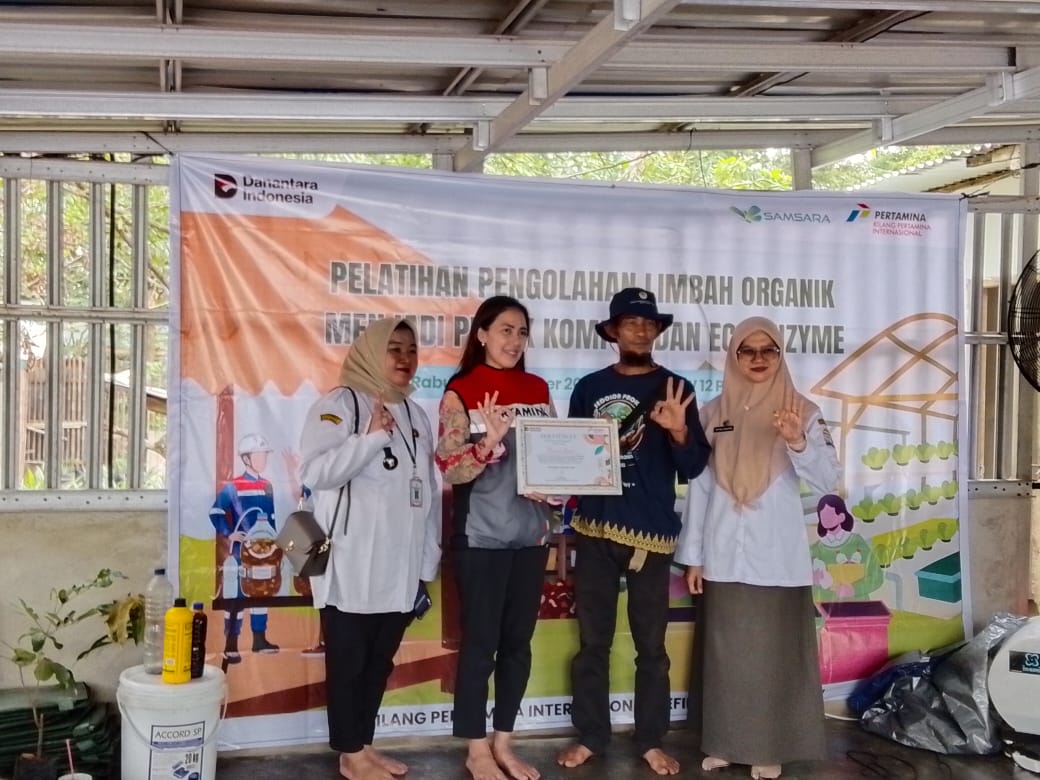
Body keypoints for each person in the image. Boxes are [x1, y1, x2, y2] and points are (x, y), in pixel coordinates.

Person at [677, 316, 841, 780]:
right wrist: (694, 557)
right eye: (747, 350)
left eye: (768, 350)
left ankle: (769, 747)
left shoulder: (802, 410)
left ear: (780, 355)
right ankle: (726, 743)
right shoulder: (713, 413)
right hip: (723, 555)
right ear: (733, 356)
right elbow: (700, 488)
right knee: (727, 657)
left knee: (773, 657)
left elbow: (828, 480)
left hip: (776, 558)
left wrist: (796, 440)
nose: (758, 359)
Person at [557, 287, 711, 777]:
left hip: (652, 536)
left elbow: (694, 467)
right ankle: (591, 736)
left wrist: (679, 430)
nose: (641, 330)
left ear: (657, 330)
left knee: (652, 649)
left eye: (648, 323)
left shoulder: (677, 388)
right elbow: (571, 457)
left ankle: (650, 740)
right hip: (595, 529)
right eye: (630, 322)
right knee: (592, 643)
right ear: (613, 331)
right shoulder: (589, 387)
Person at [299, 317, 442, 780]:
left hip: (400, 568)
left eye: (411, 350)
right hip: (350, 564)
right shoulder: (340, 404)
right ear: (371, 352)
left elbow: (427, 491)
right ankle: (349, 755)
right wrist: (372, 438)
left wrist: (426, 562)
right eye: (394, 348)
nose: (405, 358)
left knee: (379, 664)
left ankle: (363, 744)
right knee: (349, 664)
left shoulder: (415, 414)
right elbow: (316, 472)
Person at [435, 295, 555, 780]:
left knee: (518, 645)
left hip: (531, 538)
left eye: (522, 332)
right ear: (482, 334)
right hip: (481, 538)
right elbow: (451, 468)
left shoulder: (538, 388)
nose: (515, 340)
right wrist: (487, 443)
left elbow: (553, 455)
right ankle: (476, 748)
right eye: (505, 329)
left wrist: (561, 484)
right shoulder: (461, 391)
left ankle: (504, 741)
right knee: (480, 645)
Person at [210, 433, 301, 662]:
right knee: (237, 595)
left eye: (264, 455)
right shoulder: (233, 487)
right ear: (246, 459)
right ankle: (231, 644)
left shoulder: (267, 485)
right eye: (259, 455)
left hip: (266, 550)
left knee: (263, 591)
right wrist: (229, 533)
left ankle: (259, 640)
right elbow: (216, 511)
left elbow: (273, 517)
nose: (263, 459)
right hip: (242, 552)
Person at [811, 493, 882, 602]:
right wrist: (814, 581)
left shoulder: (857, 541)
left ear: (842, 516)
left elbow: (877, 576)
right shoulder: (816, 549)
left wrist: (854, 589)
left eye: (830, 515)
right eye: (823, 516)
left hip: (859, 605)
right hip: (827, 607)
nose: (827, 519)